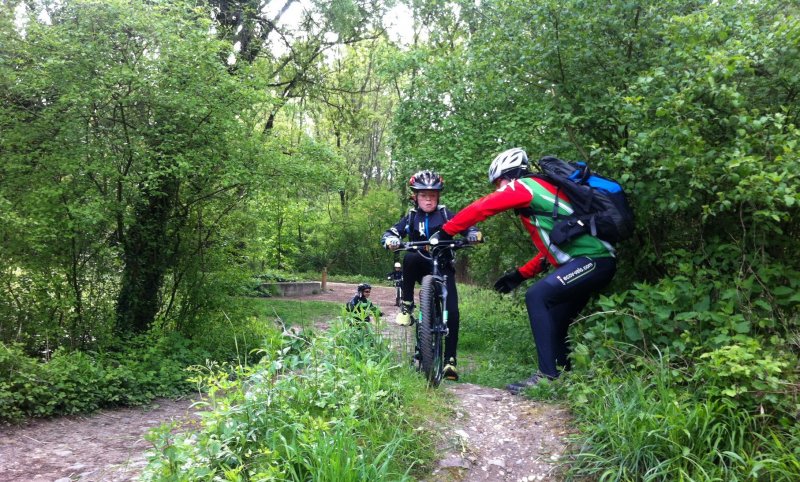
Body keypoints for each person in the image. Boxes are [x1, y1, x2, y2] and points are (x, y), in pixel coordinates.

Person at [435, 148, 617, 394]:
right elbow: (551, 251)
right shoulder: (544, 199)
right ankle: (563, 377)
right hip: (590, 262)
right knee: (556, 317)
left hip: (594, 260)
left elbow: (484, 207)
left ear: (508, 176)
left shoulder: (524, 186)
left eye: (498, 182)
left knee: (537, 296)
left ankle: (547, 376)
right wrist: (520, 274)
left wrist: (447, 230)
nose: (498, 188)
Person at [381, 170, 481, 381]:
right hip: (419, 264)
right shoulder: (411, 216)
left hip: (443, 266)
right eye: (424, 195)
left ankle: (449, 362)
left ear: (438, 197)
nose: (428, 199)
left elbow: (467, 225)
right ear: (415, 196)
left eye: (433, 195)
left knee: (452, 312)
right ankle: (407, 304)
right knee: (408, 258)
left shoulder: (446, 214)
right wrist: (390, 240)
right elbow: (391, 232)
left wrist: (472, 234)